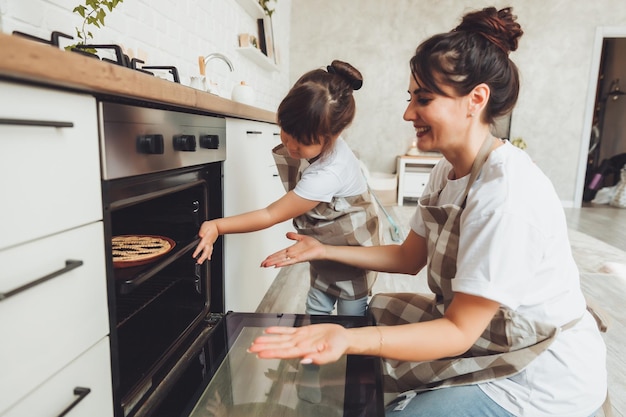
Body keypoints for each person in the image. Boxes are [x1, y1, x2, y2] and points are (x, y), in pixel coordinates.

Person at [249, 7, 608, 417]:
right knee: (373, 321)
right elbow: (408, 257)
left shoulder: (506, 195)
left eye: (423, 99)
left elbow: (457, 332)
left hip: (536, 373)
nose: (407, 113)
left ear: (476, 100)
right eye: (410, 98)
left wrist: (348, 341)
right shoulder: (447, 170)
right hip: (489, 333)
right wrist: (322, 250)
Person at [193, 60, 380, 316]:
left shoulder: (327, 174)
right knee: (317, 303)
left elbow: (270, 214)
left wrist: (218, 225)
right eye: (285, 133)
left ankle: (353, 351)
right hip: (325, 246)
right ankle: (315, 346)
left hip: (353, 253)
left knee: (352, 314)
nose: (291, 148)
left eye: (301, 144)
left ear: (332, 137)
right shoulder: (319, 139)